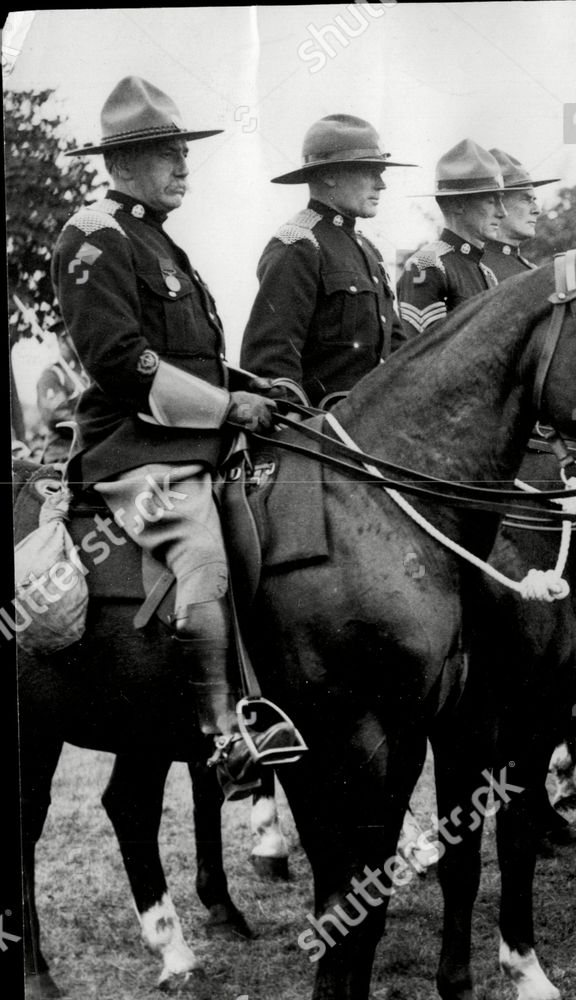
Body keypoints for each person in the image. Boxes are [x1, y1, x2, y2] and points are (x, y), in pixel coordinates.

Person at [52, 76, 297, 794]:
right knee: (201, 554)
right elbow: (126, 362)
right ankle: (226, 738)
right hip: (134, 446)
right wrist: (227, 408)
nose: (184, 165)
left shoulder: (157, 241)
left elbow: (191, 356)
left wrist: (253, 389)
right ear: (121, 165)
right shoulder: (93, 236)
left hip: (195, 438)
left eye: (184, 151)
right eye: (167, 153)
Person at [241, 115, 412, 410]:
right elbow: (272, 361)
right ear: (330, 175)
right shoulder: (298, 245)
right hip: (322, 434)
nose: (381, 185)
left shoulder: (368, 251)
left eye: (381, 173)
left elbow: (397, 350)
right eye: (370, 172)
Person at [396, 140, 506, 336]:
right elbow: (423, 352)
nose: (502, 212)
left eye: (501, 201)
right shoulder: (425, 266)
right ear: (456, 204)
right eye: (491, 201)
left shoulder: (487, 273)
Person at [481, 149, 559, 286]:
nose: (537, 210)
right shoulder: (474, 270)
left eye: (534, 199)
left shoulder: (532, 271)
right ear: (497, 203)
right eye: (526, 200)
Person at [35, 324, 88, 463]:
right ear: (63, 339)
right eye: (75, 335)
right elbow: (56, 416)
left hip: (87, 450)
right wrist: (93, 423)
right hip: (62, 454)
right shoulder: (52, 375)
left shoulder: (85, 374)